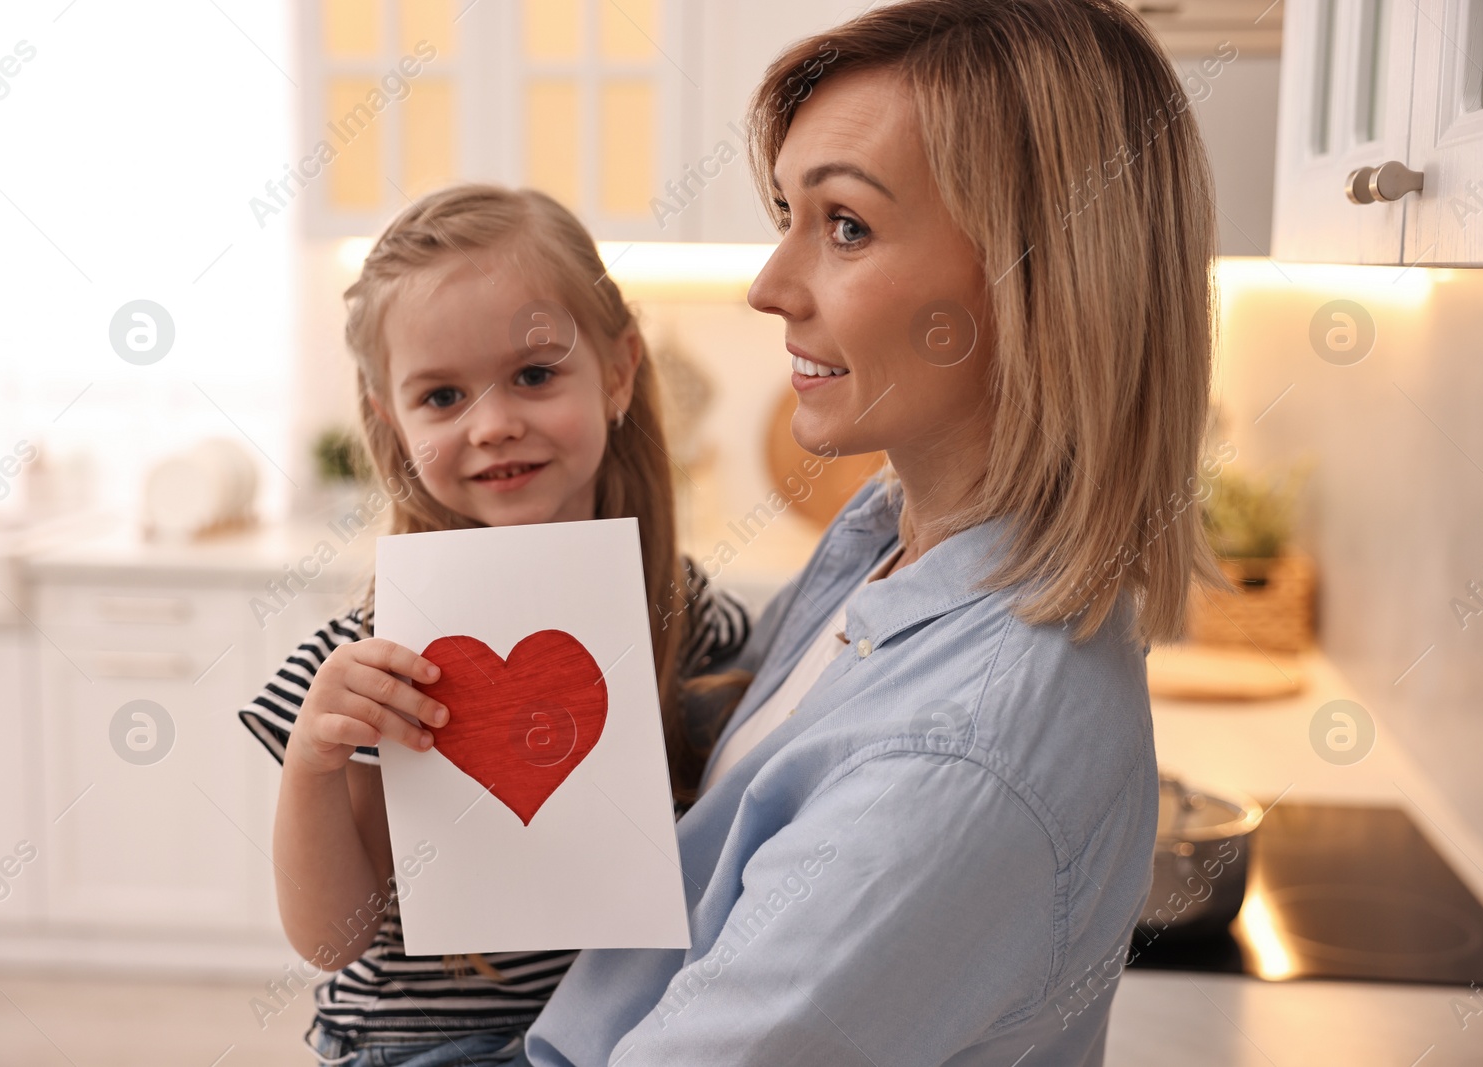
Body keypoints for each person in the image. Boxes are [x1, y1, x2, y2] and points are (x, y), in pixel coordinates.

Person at [521, 1, 1224, 1063]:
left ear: (1040, 277)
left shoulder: (959, 760)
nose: (769, 286)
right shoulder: (892, 532)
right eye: (785, 216)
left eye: (844, 224)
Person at [236, 183, 752, 1067]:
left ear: (621, 369)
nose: (496, 423)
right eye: (442, 396)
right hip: (429, 1047)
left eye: (535, 374)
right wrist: (314, 761)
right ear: (387, 422)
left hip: (633, 1037)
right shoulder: (367, 661)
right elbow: (330, 939)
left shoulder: (688, 614)